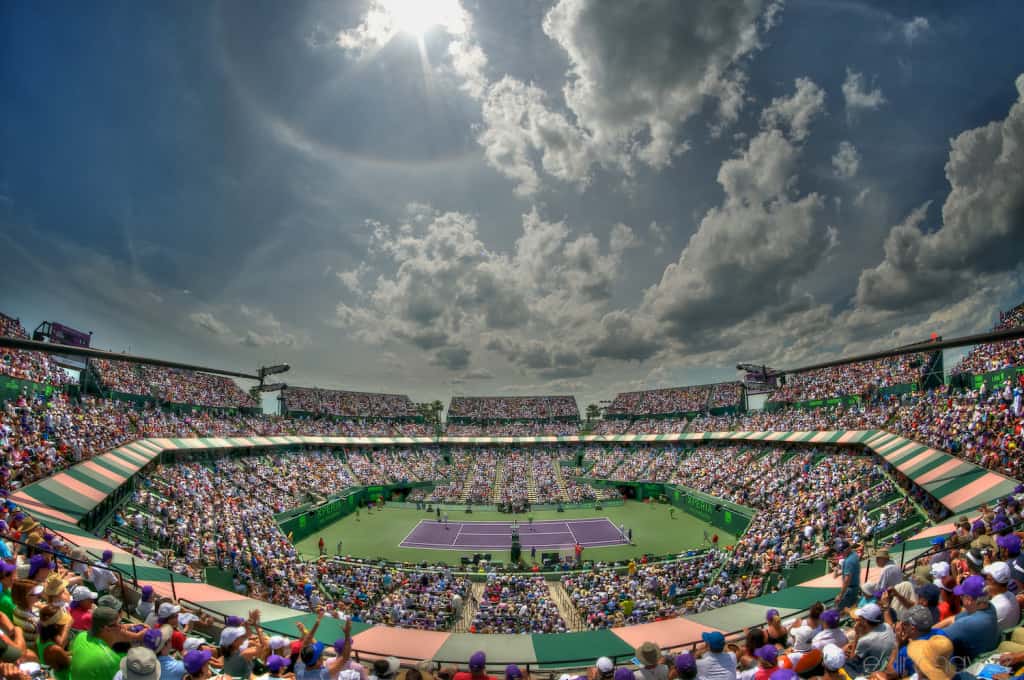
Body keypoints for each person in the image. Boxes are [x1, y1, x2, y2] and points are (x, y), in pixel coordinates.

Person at [938, 574, 1001, 661]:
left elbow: (935, 637)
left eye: (961, 596)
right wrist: (932, 628)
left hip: (967, 666)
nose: (960, 598)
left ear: (968, 599)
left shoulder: (967, 624)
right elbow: (953, 619)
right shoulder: (989, 606)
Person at [70, 606, 136, 680]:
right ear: (107, 628)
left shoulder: (82, 635)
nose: (122, 627)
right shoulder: (109, 660)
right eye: (120, 623)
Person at [844, 603, 895, 677]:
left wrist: (857, 635)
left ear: (864, 621)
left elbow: (853, 660)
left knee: (845, 663)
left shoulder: (866, 640)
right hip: (884, 665)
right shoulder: (887, 626)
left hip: (869, 673)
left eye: (860, 618)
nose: (858, 619)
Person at [983, 561, 1021, 629]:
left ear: (991, 580)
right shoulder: (1011, 595)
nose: (984, 581)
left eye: (986, 577)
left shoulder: (994, 607)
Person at [834, 543, 861, 611]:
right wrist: (839, 573)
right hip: (855, 587)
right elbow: (850, 571)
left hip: (850, 590)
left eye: (842, 551)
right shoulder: (854, 555)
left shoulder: (849, 561)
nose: (841, 553)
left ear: (848, 549)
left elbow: (847, 580)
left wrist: (840, 595)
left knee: (839, 610)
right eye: (840, 551)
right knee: (851, 609)